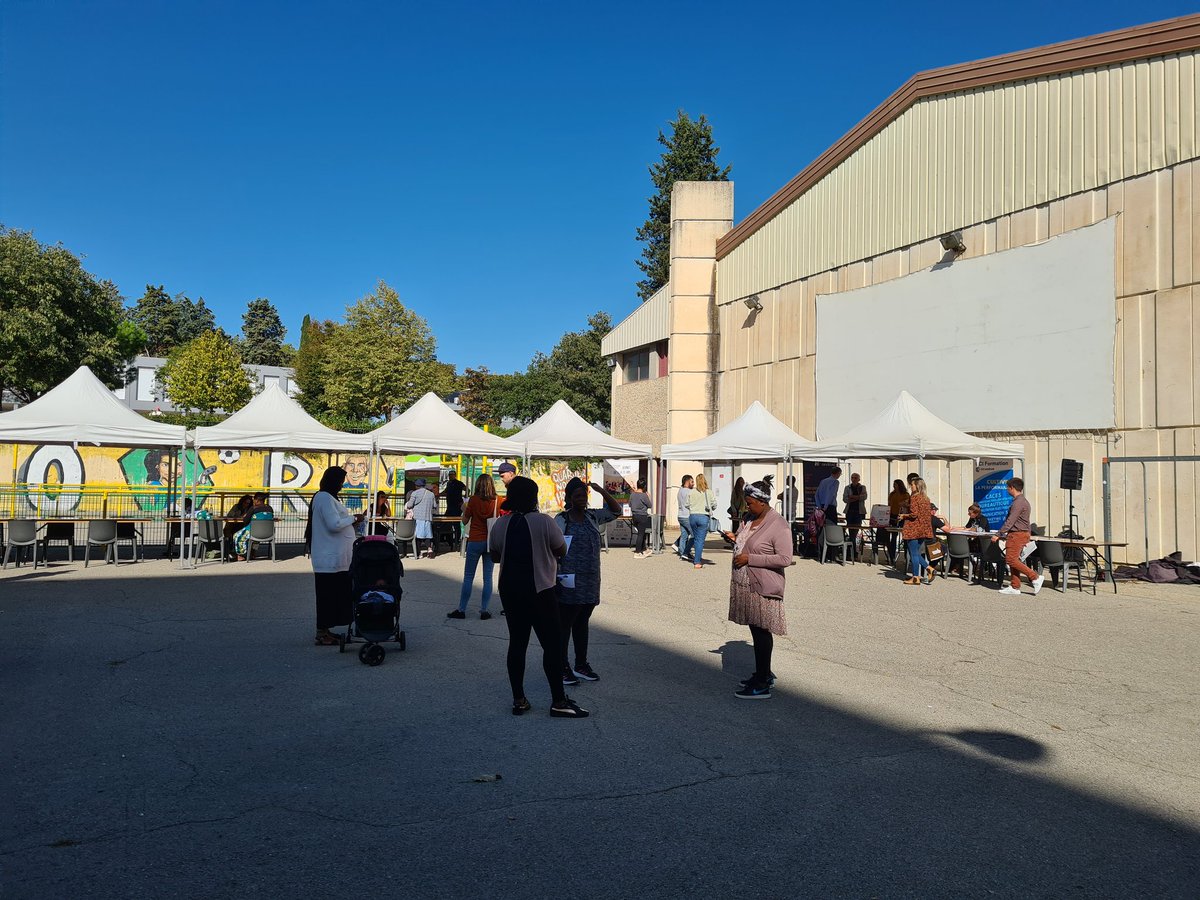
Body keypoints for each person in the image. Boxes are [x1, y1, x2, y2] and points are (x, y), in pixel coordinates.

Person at [489, 476, 587, 718]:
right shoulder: (544, 522)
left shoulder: (500, 524)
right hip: (541, 589)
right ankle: (558, 700)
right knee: (551, 645)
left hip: (510, 591)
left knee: (517, 644)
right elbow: (561, 550)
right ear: (533, 498)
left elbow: (494, 556)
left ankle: (519, 699)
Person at [722, 481, 794, 700]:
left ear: (763, 502)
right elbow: (748, 541)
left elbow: (785, 558)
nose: (747, 506)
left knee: (762, 632)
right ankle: (762, 673)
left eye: (751, 503)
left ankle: (762, 684)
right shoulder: (749, 519)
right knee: (756, 630)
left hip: (762, 586)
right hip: (746, 585)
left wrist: (749, 558)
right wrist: (736, 539)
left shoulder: (779, 525)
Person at [555, 477, 620, 685]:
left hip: (591, 577)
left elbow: (616, 511)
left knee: (582, 621)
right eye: (577, 496)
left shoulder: (593, 516)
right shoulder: (562, 520)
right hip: (569, 579)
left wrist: (602, 491)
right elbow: (552, 547)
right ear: (569, 498)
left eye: (584, 495)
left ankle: (581, 664)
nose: (582, 499)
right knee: (566, 623)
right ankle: (562, 667)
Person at [309, 466, 366, 645]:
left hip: (336, 559)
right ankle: (322, 632)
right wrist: (353, 519)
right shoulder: (324, 498)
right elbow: (334, 524)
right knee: (327, 596)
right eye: (340, 482)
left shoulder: (327, 497)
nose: (342, 486)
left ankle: (327, 629)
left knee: (334, 596)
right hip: (329, 558)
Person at [451, 473, 501, 620]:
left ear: (477, 485)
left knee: (468, 577)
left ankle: (462, 609)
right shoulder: (498, 500)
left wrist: (464, 509)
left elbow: (465, 521)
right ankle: (484, 610)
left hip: (475, 540)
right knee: (488, 578)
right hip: (490, 542)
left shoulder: (473, 500)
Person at [992, 477, 1044, 596]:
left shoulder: (1018, 503)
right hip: (1019, 533)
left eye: (1007, 488)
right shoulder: (1022, 501)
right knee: (1013, 560)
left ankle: (1035, 577)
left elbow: (1011, 520)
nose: (1007, 490)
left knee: (1010, 559)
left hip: (1017, 534)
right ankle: (1015, 586)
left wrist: (998, 534)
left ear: (1012, 488)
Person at [900, 478, 934, 585]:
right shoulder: (926, 498)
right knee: (915, 552)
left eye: (913, 485)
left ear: (917, 486)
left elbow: (914, 514)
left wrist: (903, 515)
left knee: (914, 553)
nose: (911, 486)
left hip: (914, 528)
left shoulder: (914, 497)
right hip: (923, 529)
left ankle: (916, 577)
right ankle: (929, 569)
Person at [687, 473, 718, 569]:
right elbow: (714, 505)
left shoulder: (691, 492)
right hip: (704, 516)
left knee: (696, 538)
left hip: (692, 516)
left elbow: (686, 504)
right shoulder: (709, 492)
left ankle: (696, 556)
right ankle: (697, 561)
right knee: (700, 540)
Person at [232, 491, 273, 560]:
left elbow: (245, 521)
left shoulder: (253, 508)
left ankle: (241, 555)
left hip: (253, 531)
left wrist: (247, 516)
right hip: (267, 533)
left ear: (257, 500)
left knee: (237, 536)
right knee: (256, 540)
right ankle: (253, 553)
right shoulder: (270, 508)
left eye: (254, 499)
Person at [405, 478, 437, 558]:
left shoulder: (415, 493)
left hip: (418, 517)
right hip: (428, 517)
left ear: (416, 486)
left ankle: (418, 553)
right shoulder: (431, 494)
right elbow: (434, 506)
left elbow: (409, 505)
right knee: (428, 534)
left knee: (418, 536)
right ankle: (429, 550)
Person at [843, 473, 868, 561]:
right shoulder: (847, 488)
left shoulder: (862, 487)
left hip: (859, 512)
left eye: (855, 478)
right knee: (850, 533)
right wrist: (857, 497)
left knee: (855, 532)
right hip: (849, 512)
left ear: (859, 479)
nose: (853, 479)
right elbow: (845, 499)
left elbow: (864, 497)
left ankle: (854, 552)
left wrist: (853, 497)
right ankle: (851, 552)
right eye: (852, 477)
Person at [886, 479, 909, 565]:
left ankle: (906, 557)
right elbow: (889, 504)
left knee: (905, 536)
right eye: (893, 484)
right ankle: (891, 556)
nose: (894, 486)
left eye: (895, 484)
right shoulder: (892, 494)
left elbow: (906, 504)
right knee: (893, 536)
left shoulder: (905, 494)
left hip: (902, 516)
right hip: (892, 515)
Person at [629, 478, 652, 558]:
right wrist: (648, 496)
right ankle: (637, 552)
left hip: (634, 516)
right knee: (641, 534)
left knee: (641, 533)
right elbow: (650, 505)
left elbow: (630, 504)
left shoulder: (632, 494)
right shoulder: (644, 495)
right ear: (644, 486)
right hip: (642, 516)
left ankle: (644, 549)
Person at [443, 470, 467, 545]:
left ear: (455, 475)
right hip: (449, 506)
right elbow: (445, 491)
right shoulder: (449, 483)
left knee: (456, 524)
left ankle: (457, 540)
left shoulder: (458, 483)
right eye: (450, 475)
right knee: (447, 523)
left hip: (456, 507)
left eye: (452, 474)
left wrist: (464, 499)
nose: (450, 476)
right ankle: (449, 540)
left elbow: (467, 489)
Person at [673, 475, 694, 557]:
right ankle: (686, 551)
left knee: (684, 535)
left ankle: (682, 552)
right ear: (687, 482)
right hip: (687, 516)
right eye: (692, 482)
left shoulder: (680, 491)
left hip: (680, 515)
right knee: (694, 535)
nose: (693, 484)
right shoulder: (689, 492)